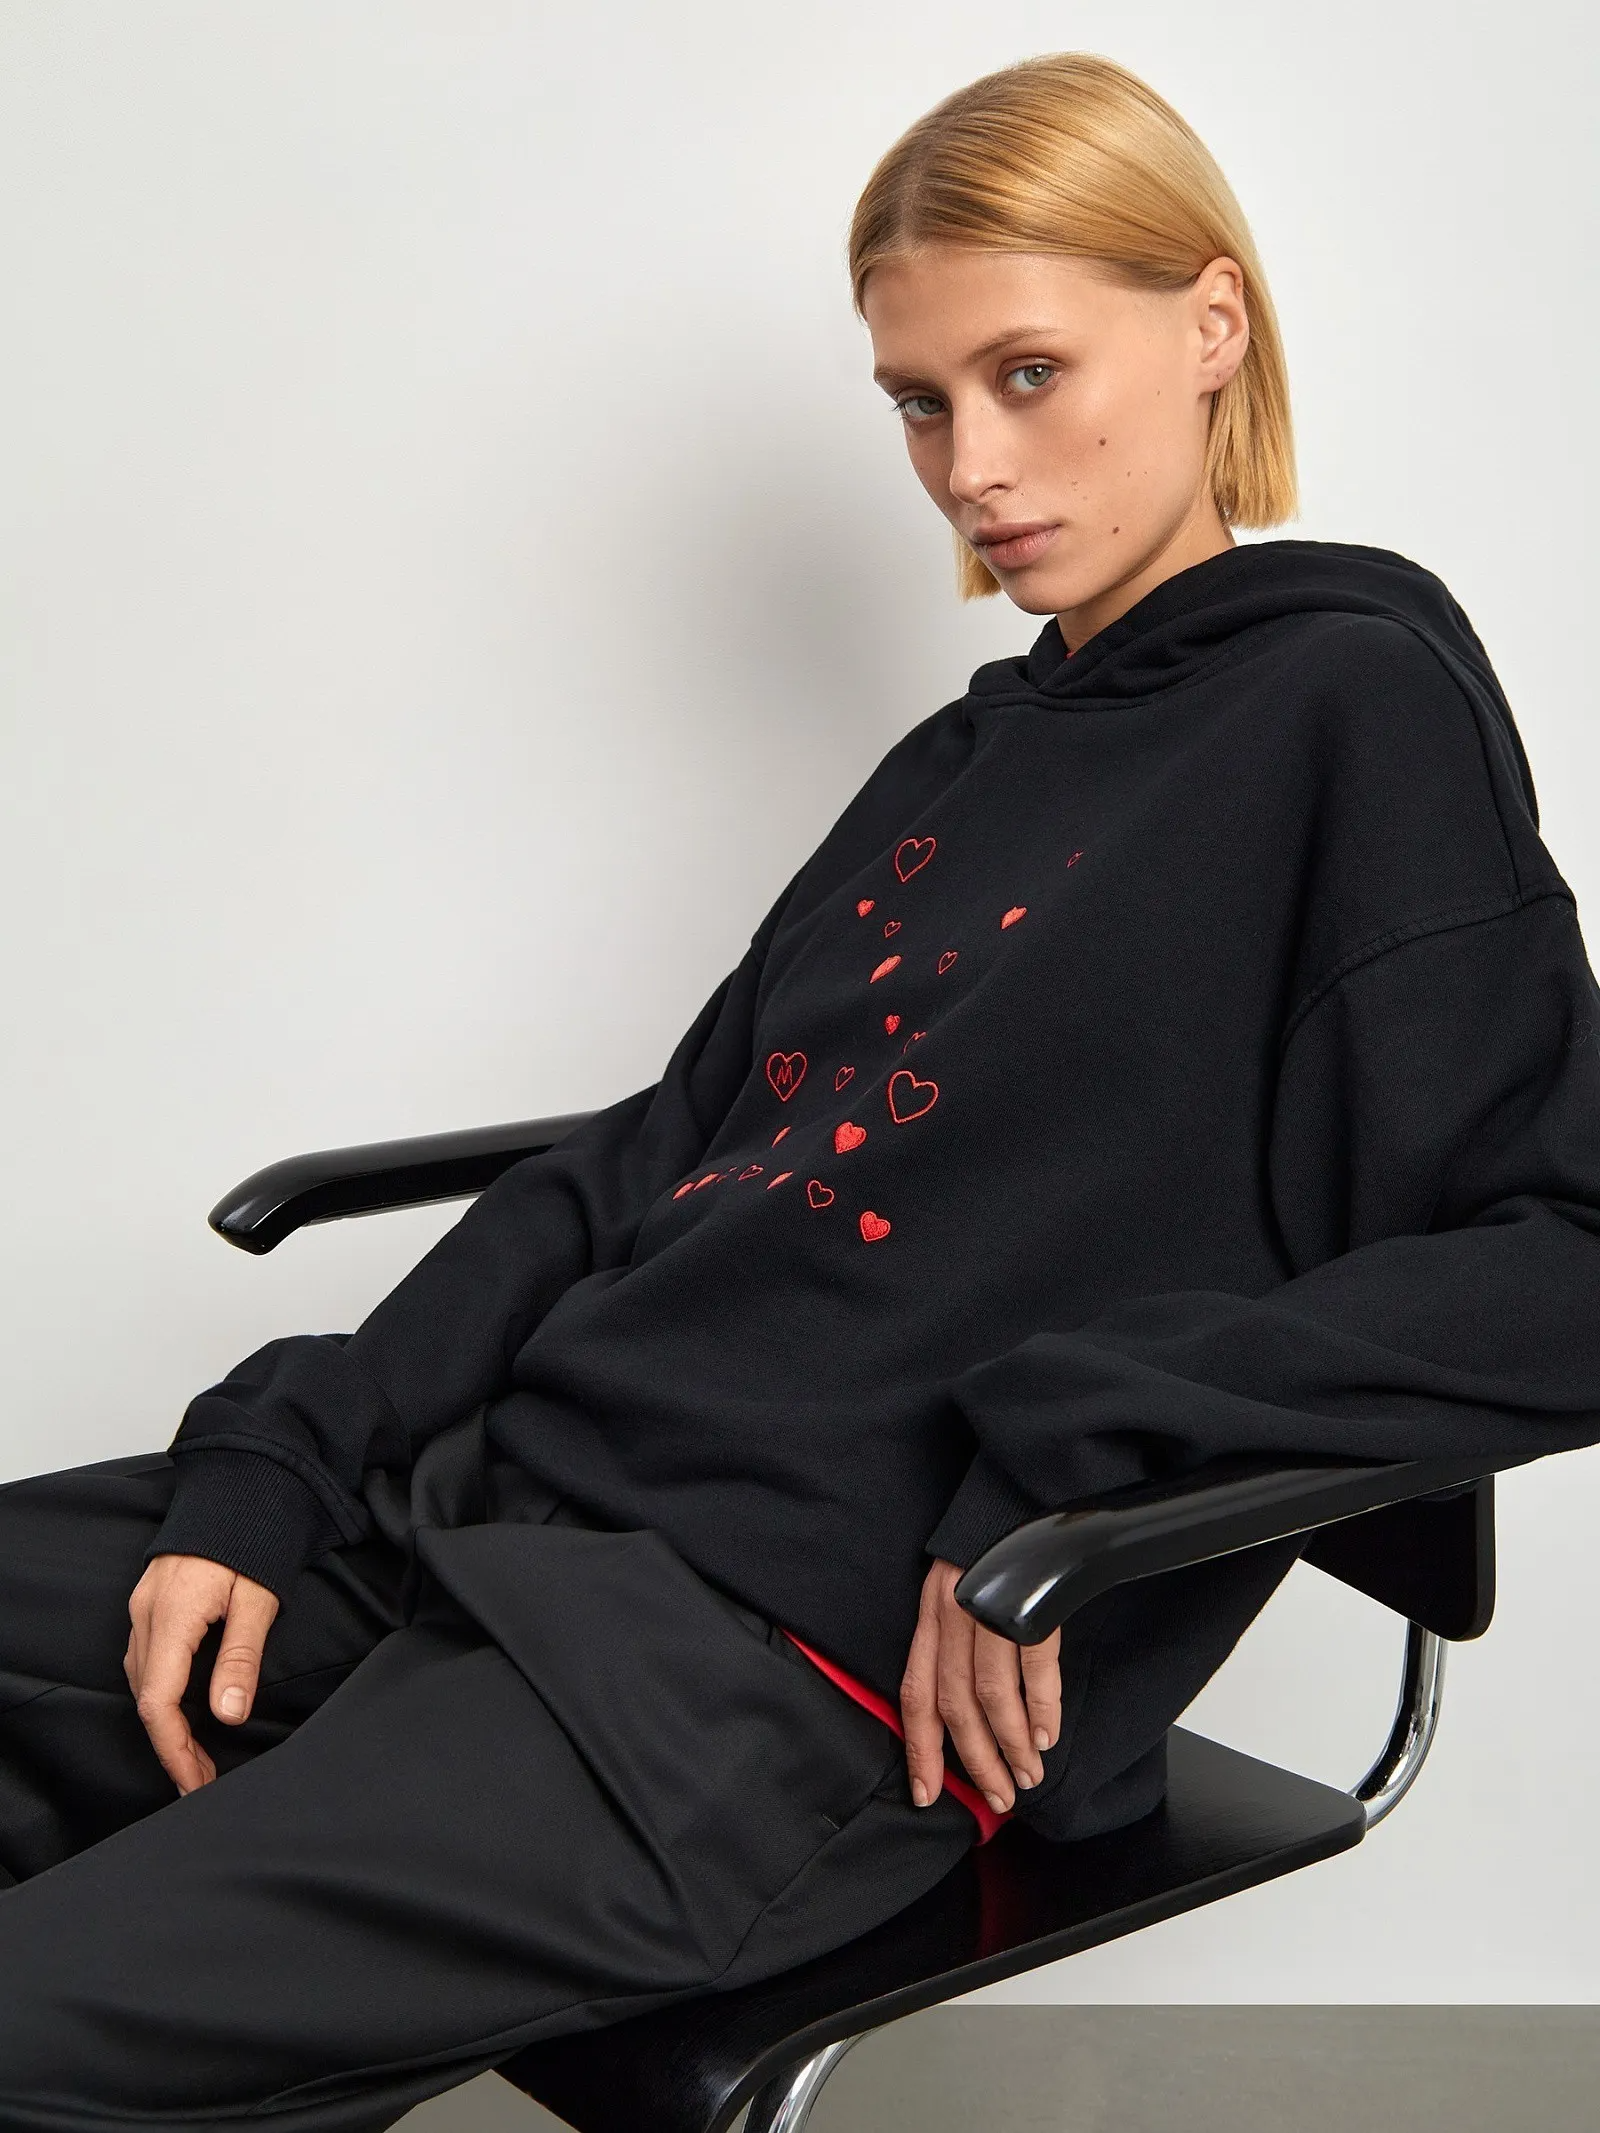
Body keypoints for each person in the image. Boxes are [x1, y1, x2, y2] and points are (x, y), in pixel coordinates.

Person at [4, 46, 1600, 2130]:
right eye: (920, 403)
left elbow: (1567, 1257)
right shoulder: (964, 759)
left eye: (1027, 374)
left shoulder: (1351, 704)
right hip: (488, 1511)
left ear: (1211, 323)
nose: (969, 467)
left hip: (763, 1680)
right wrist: (291, 1449)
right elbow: (653, 1157)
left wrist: (1076, 1448)